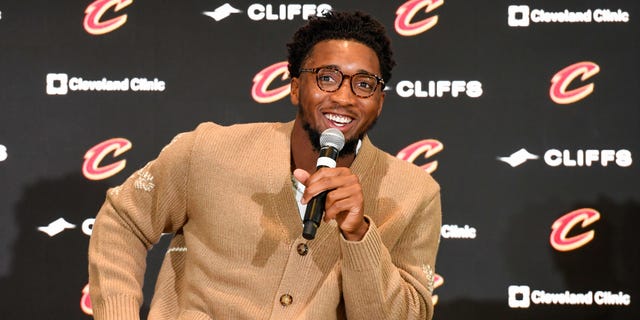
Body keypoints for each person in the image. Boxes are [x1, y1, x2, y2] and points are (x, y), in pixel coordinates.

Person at [88, 10, 441, 320]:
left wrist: (359, 235)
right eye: (327, 78)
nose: (344, 97)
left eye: (364, 84)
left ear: (379, 103)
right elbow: (123, 221)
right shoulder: (209, 150)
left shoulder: (415, 193)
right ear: (294, 87)